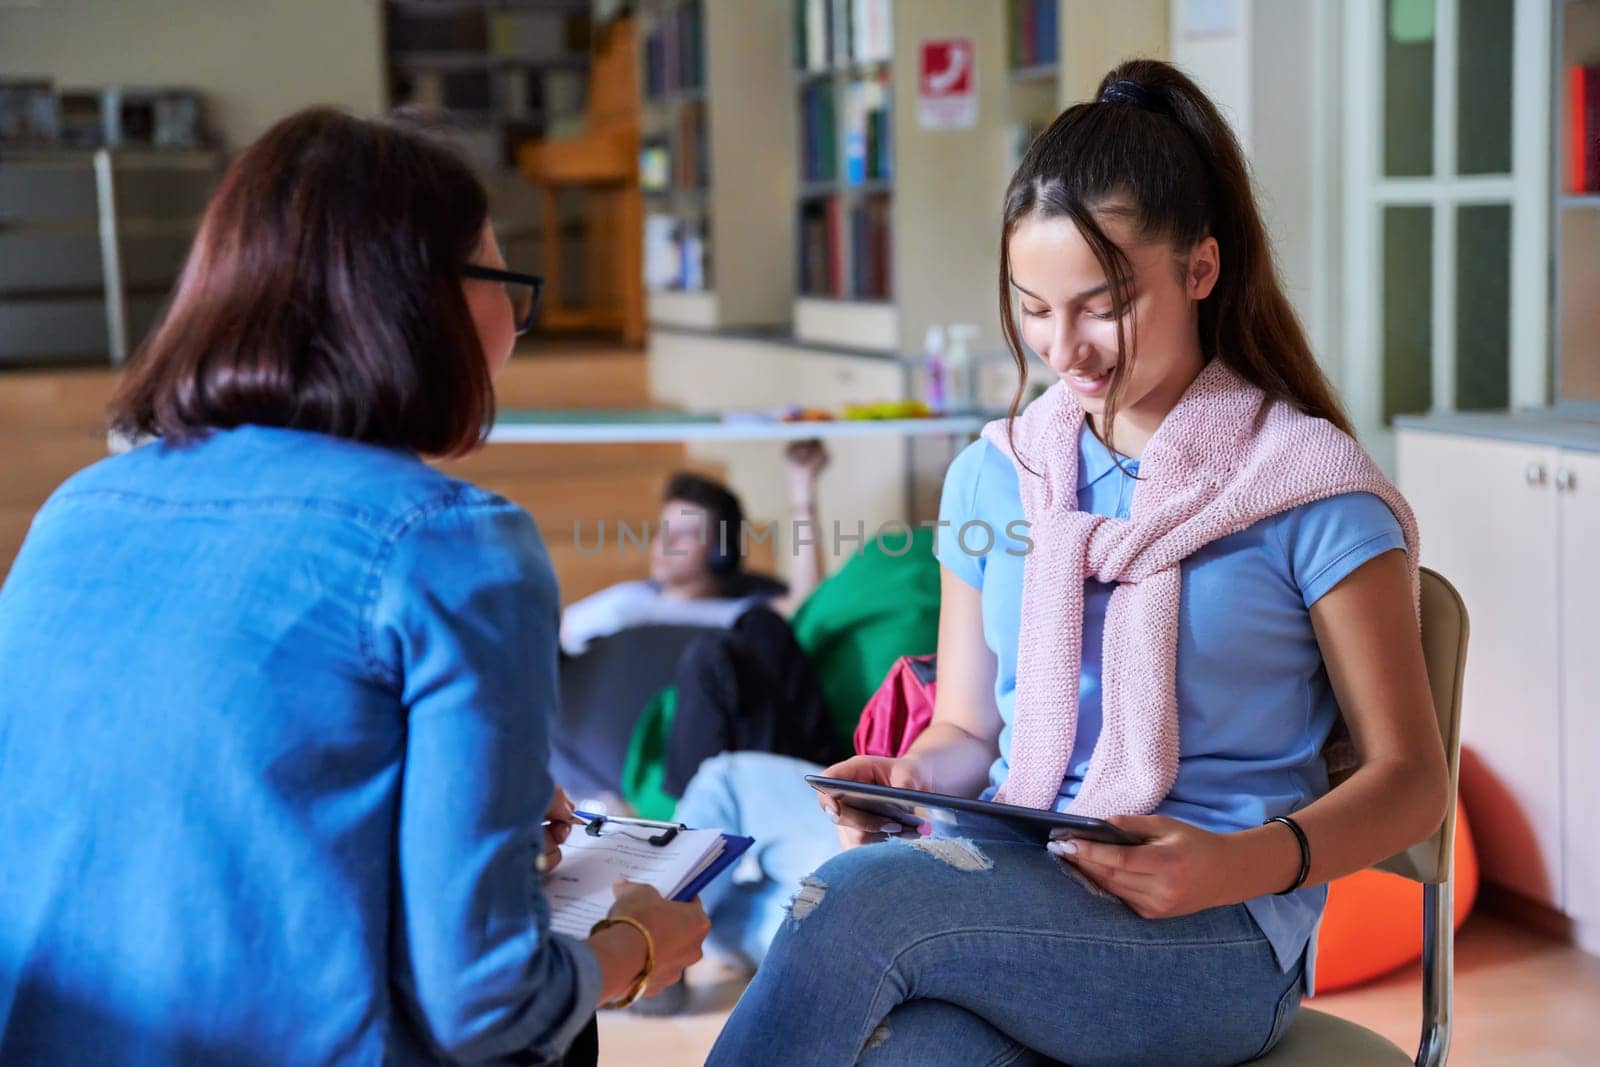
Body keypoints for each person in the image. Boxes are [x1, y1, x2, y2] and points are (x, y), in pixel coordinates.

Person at [707, 59, 1449, 1066]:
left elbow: (1413, 781)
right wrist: (907, 777)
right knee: (912, 1051)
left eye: (1103, 304)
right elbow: (969, 726)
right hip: (1025, 880)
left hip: (1223, 931)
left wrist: (1241, 862)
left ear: (1199, 269)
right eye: (1033, 307)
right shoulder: (992, 475)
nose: (1068, 349)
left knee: (845, 903)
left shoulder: (1310, 488)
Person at [0, 108, 710, 1066]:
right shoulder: (454, 543)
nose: (514, 326)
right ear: (426, 304)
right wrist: (631, 949)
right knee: (562, 1023)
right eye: (506, 284)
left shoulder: (76, 509)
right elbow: (484, 1004)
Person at [557, 444, 829, 656]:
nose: (665, 543)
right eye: (663, 530)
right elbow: (550, 635)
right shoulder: (623, 602)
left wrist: (801, 488)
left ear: (721, 549)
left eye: (683, 534)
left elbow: (807, 606)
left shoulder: (739, 615)